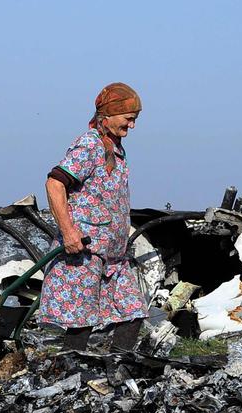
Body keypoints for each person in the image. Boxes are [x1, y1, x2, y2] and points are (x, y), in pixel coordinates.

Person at [40, 82, 147, 351]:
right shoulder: (89, 144)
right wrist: (68, 232)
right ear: (107, 116)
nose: (132, 126)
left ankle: (118, 367)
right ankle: (67, 374)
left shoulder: (116, 149)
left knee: (133, 311)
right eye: (128, 119)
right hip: (85, 250)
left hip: (113, 256)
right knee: (81, 322)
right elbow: (55, 183)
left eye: (134, 120)